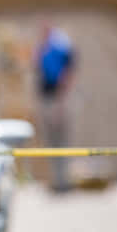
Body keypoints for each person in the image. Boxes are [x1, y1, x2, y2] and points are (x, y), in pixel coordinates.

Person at [35, 23, 76, 192]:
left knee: (60, 141)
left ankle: (62, 181)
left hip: (57, 100)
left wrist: (60, 102)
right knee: (53, 142)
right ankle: (58, 179)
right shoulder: (45, 49)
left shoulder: (58, 49)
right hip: (50, 99)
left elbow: (65, 77)